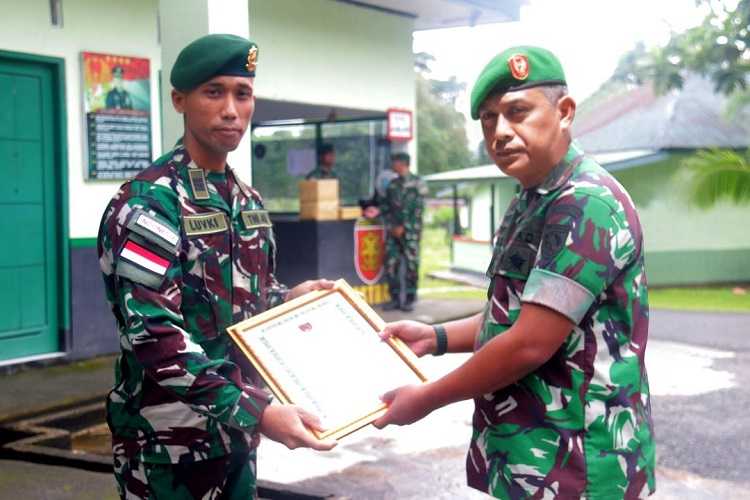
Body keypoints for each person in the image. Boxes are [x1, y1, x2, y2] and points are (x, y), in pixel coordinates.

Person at [374, 46, 656, 499]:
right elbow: (513, 315)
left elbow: (529, 343)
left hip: (581, 465)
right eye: (488, 119)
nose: (500, 132)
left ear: (564, 112)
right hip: (531, 455)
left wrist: (425, 398)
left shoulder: (584, 203)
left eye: (517, 112)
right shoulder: (534, 198)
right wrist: (436, 337)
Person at [97, 34, 336, 499]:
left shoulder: (247, 201)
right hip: (167, 447)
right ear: (179, 100)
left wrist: (288, 300)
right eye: (214, 92)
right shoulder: (151, 202)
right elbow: (152, 333)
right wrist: (257, 411)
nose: (231, 109)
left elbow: (248, 299)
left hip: (236, 441)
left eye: (242, 94)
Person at [378, 152, 427, 312]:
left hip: (411, 232)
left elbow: (418, 209)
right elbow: (385, 207)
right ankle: (395, 299)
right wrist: (392, 225)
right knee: (391, 263)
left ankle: (410, 299)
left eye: (395, 162)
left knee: (412, 265)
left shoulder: (418, 183)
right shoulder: (392, 185)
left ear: (403, 163)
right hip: (393, 233)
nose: (393, 165)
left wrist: (403, 226)